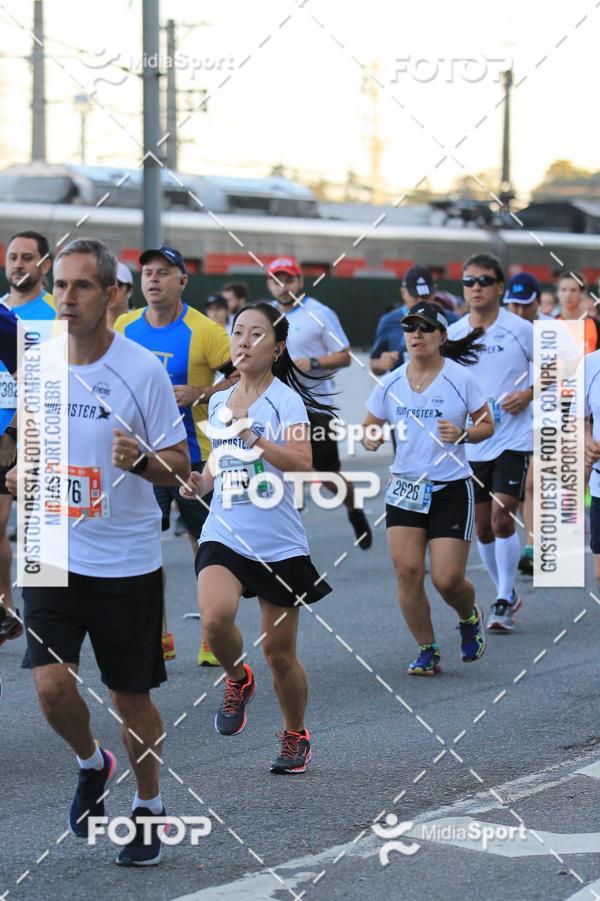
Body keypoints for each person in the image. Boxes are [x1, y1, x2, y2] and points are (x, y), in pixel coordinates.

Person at [7, 237, 190, 866]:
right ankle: (92, 762)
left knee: (128, 697)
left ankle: (148, 805)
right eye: (59, 285)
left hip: (124, 561)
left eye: (81, 286)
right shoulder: (38, 359)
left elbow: (180, 467)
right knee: (52, 689)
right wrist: (22, 471)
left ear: (111, 295)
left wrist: (139, 459)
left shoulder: (141, 370)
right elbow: (31, 440)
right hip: (50, 547)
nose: (66, 298)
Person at [180, 302, 332, 773]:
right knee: (214, 619)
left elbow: (304, 464)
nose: (243, 342)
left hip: (277, 541)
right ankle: (237, 678)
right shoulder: (220, 401)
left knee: (279, 653)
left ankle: (295, 735)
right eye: (238, 333)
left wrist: (259, 442)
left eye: (256, 334)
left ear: (277, 346)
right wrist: (200, 482)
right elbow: (217, 460)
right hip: (224, 530)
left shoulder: (286, 401)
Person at [114, 245, 236, 667]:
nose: (152, 279)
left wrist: (202, 392)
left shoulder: (205, 330)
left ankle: (210, 634)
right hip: (138, 459)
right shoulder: (125, 326)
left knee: (202, 545)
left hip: (191, 456)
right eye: (147, 272)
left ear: (182, 281)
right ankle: (158, 634)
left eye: (163, 273)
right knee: (143, 545)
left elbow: (243, 372)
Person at [361, 301, 493, 674]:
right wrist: (370, 438)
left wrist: (464, 432)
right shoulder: (390, 382)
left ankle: (469, 617)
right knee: (407, 573)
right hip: (405, 488)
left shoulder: (460, 378)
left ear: (441, 335)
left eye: (424, 328)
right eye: (410, 328)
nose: (416, 335)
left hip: (452, 488)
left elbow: (488, 425)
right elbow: (369, 426)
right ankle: (427, 648)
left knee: (447, 579)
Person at [448, 254, 533, 633]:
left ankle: (502, 596)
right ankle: (508, 590)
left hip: (514, 436)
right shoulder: (452, 333)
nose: (476, 287)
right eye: (469, 282)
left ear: (500, 286)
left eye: (484, 281)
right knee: (482, 528)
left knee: (503, 516)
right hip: (473, 441)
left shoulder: (521, 328)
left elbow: (557, 368)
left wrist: (528, 393)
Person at [265, 256, 372, 549]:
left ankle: (354, 509)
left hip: (315, 407)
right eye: (277, 280)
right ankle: (281, 539)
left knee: (326, 474)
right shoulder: (265, 316)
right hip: (276, 409)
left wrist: (311, 362)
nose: (283, 286)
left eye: (288, 279)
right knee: (277, 469)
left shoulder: (319, 313)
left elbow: (344, 355)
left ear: (299, 281)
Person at [0, 231, 57, 648]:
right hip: (3, 432)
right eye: (12, 257)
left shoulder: (57, 313)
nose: (17, 264)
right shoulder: (1, 311)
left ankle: (47, 624)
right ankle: (5, 611)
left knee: (40, 532)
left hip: (45, 433)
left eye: (26, 258)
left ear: (45, 264)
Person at [503, 273, 542, 577]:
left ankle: (533, 545)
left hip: (546, 419)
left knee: (531, 484)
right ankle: (526, 539)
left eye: (524, 305)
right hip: (509, 424)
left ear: (537, 303)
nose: (518, 312)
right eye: (513, 306)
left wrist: (530, 394)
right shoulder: (501, 332)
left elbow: (563, 374)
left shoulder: (549, 332)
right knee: (514, 495)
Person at [556, 271, 600, 354]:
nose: (568, 294)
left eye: (573, 290)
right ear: (557, 293)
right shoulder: (550, 324)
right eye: (563, 290)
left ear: (582, 293)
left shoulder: (595, 325)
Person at [106, 261, 134, 329]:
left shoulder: (139, 322)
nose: (111, 290)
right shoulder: (91, 323)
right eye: (106, 283)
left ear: (129, 290)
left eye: (118, 284)